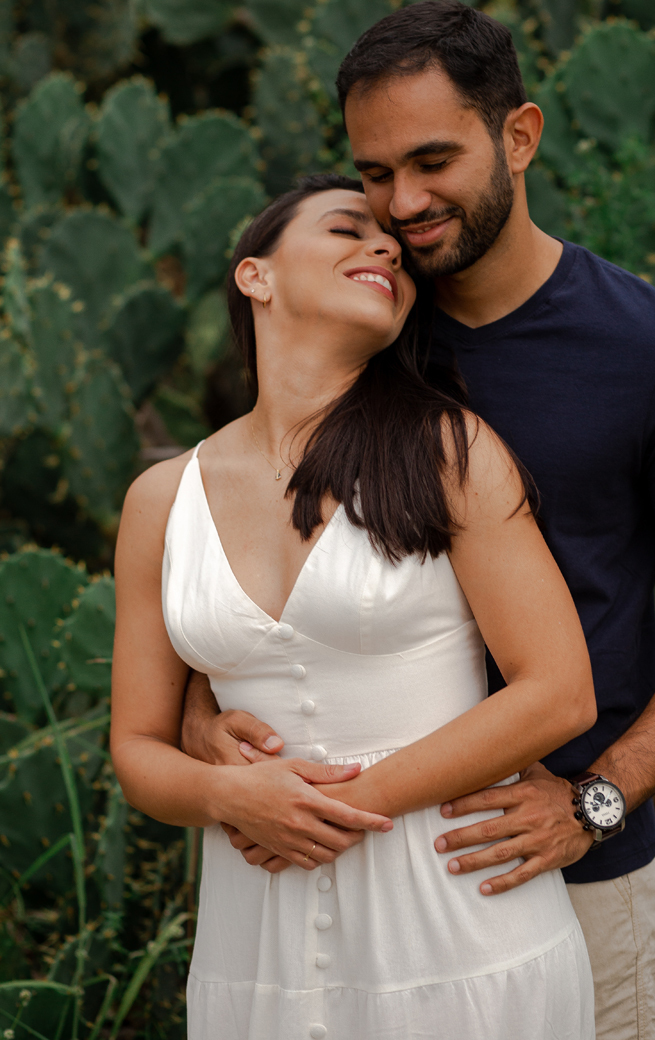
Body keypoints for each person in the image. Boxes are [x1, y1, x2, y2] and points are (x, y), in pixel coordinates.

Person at [181, 2, 655, 1040]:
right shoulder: (355, 324)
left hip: (559, 866)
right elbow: (246, 551)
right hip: (333, 876)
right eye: (375, 174)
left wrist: (597, 800)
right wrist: (200, 716)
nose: (404, 203)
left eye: (433, 161)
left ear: (519, 136)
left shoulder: (649, 352)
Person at [110, 173, 598, 1039]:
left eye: (397, 251)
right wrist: (229, 797)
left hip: (458, 923)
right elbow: (138, 748)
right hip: (255, 948)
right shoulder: (161, 500)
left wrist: (327, 807)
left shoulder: (448, 450)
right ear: (255, 275)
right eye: (347, 229)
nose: (385, 249)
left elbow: (558, 692)